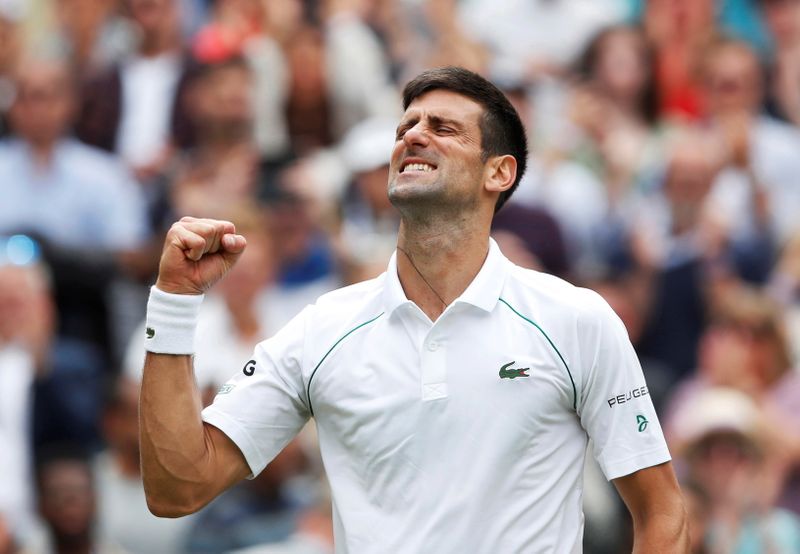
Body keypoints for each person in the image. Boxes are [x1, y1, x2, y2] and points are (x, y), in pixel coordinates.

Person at [139, 67, 688, 552]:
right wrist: (173, 303)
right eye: (405, 129)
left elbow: (662, 513)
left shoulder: (577, 320)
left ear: (499, 172)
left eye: (442, 129)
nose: (413, 137)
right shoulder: (321, 329)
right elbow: (178, 487)